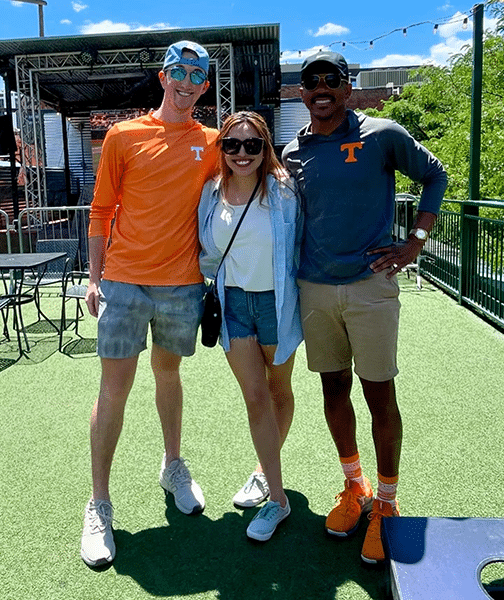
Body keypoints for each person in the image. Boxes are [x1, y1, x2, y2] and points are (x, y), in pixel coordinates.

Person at [282, 50, 447, 564]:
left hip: (371, 286)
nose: (323, 88)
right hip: (314, 288)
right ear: (303, 93)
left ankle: (388, 504)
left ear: (348, 88)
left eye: (333, 79)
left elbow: (435, 175)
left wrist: (415, 240)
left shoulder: (382, 134)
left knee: (379, 395)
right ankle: (354, 489)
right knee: (333, 388)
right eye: (313, 82)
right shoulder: (292, 152)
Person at [80, 40, 219, 567]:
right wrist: (94, 281)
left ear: (204, 85)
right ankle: (99, 503)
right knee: (113, 392)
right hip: (124, 283)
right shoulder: (123, 135)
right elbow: (100, 211)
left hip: (182, 286)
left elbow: (247, 178)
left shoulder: (211, 142)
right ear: (163, 76)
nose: (187, 82)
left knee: (168, 377)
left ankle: (173, 465)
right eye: (179, 72)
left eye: (197, 75)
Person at [199, 111, 303, 541]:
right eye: (233, 145)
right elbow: (203, 248)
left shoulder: (283, 191)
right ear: (221, 149)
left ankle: (264, 469)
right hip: (234, 303)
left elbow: (304, 242)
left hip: (277, 303)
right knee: (256, 397)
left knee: (280, 391)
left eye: (252, 145)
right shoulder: (211, 192)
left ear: (265, 149)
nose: (242, 153)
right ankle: (278, 499)